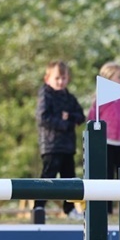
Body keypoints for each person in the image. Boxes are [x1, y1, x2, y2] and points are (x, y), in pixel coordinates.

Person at [33, 60, 86, 223]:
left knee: (69, 178)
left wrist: (68, 117)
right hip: (51, 145)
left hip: (68, 145)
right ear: (47, 78)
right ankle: (38, 207)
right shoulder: (45, 96)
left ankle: (69, 209)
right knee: (48, 177)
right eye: (57, 78)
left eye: (63, 78)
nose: (60, 82)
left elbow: (80, 116)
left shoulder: (69, 97)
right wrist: (65, 124)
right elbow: (43, 118)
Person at [87, 62, 120, 213]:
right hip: (106, 141)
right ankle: (106, 208)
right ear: (108, 79)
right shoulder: (100, 99)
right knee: (107, 175)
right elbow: (92, 119)